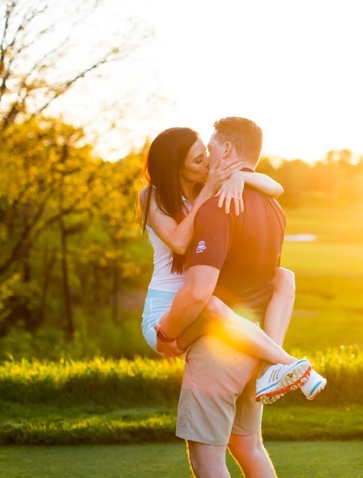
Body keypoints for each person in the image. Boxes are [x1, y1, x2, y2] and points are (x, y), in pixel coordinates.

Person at [156, 117, 301, 478]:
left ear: (227, 150)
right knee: (249, 447)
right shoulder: (273, 207)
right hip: (257, 347)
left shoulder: (221, 204)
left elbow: (200, 290)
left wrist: (168, 333)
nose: (207, 156)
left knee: (208, 461)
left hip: (220, 350)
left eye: (211, 148)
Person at [139, 126, 326, 404]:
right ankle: (292, 365)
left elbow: (277, 188)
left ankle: (269, 369)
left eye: (204, 153)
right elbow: (179, 241)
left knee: (283, 277)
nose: (207, 162)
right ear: (177, 168)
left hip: (198, 299)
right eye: (198, 160)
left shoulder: (209, 184)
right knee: (211, 304)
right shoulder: (151, 196)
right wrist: (211, 189)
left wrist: (239, 176)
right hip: (166, 314)